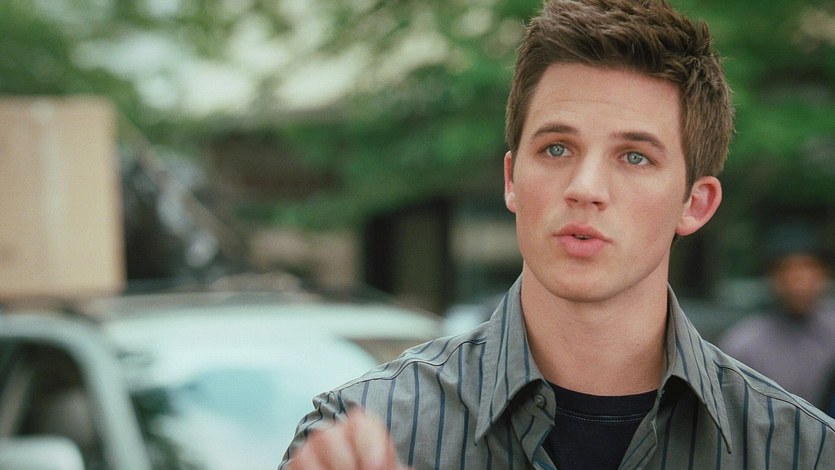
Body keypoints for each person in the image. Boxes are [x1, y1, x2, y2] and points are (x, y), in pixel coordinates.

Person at [279, 0, 835, 468]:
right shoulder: (366, 435)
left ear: (695, 203)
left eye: (635, 156)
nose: (585, 187)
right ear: (511, 179)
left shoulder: (801, 451)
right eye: (556, 148)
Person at [719, 225, 835, 410]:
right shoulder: (744, 344)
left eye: (808, 267)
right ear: (772, 277)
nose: (799, 280)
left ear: (823, 274)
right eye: (787, 269)